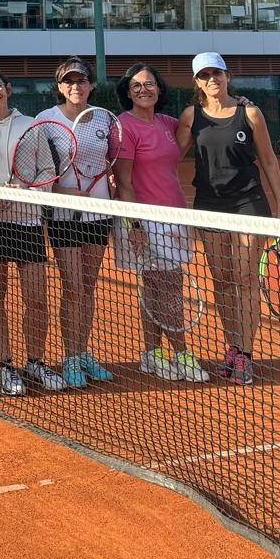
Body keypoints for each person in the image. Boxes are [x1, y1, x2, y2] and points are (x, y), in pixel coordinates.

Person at [176, 52, 280, 386]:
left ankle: (245, 355)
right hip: (209, 204)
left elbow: (268, 160)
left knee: (245, 276)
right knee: (222, 279)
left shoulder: (249, 113)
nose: (212, 79)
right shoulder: (190, 116)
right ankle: (233, 348)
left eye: (217, 73)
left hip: (248, 203)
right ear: (197, 82)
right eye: (205, 75)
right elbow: (168, 157)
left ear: (228, 76)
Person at [0, 68, 65, 396]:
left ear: (8, 89)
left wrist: (28, 194)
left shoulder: (31, 126)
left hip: (28, 223)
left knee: (37, 299)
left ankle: (35, 361)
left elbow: (47, 171)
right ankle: (6, 365)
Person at [112, 63, 209, 383]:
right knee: (169, 288)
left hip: (175, 216)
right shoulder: (124, 127)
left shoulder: (168, 123)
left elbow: (201, 118)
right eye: (136, 85)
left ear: (159, 88)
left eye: (149, 84)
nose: (144, 90)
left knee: (155, 288)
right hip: (144, 220)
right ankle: (182, 354)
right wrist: (135, 226)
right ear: (128, 92)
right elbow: (123, 181)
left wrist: (240, 102)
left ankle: (152, 355)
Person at [34, 57, 116, 388]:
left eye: (81, 80)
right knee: (73, 286)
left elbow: (111, 162)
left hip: (99, 213)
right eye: (68, 81)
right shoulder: (46, 120)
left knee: (88, 285)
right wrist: (62, 191)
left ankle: (82, 353)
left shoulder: (105, 119)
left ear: (91, 85)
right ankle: (69, 357)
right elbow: (37, 169)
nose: (75, 86)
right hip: (63, 215)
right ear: (59, 87)